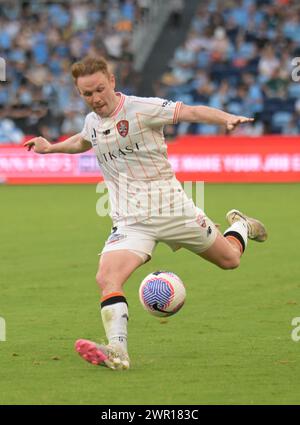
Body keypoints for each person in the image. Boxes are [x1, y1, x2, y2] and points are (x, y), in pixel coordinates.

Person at [24, 56, 267, 371]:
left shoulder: (142, 108)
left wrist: (226, 119)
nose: (95, 98)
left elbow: (190, 111)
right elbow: (84, 140)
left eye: (99, 89)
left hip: (174, 211)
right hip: (130, 221)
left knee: (230, 260)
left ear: (112, 81)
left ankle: (242, 226)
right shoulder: (92, 121)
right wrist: (51, 147)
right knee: (107, 277)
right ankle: (118, 351)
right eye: (87, 94)